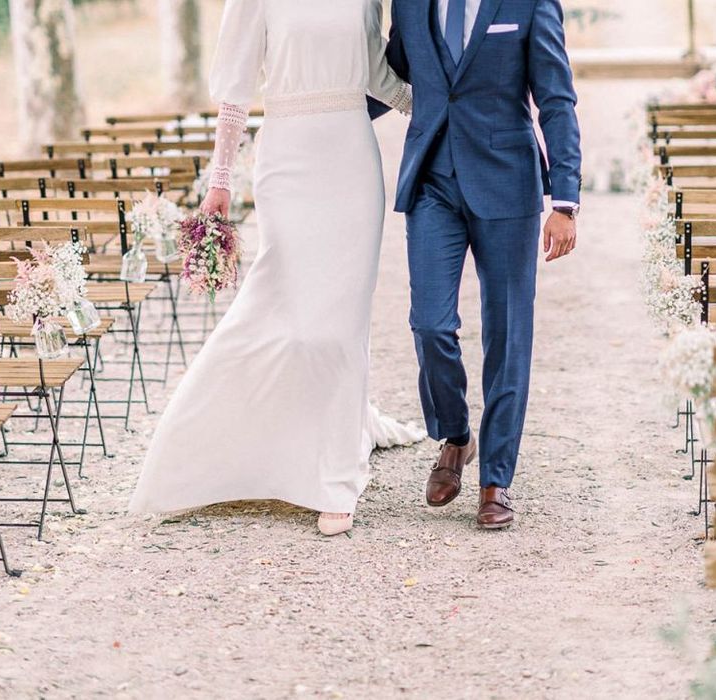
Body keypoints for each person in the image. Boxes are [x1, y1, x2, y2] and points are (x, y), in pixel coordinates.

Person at [129, 0, 424, 536]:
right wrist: (219, 181)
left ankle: (335, 477)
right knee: (287, 316)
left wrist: (449, 105)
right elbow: (237, 92)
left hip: (352, 163)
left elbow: (377, 74)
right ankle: (204, 448)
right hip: (287, 162)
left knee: (339, 328)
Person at [370, 0, 582, 529]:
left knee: (508, 334)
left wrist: (564, 201)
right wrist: (312, 107)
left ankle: (496, 479)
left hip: (507, 183)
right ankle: (456, 436)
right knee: (430, 323)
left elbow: (556, 99)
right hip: (432, 182)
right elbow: (388, 79)